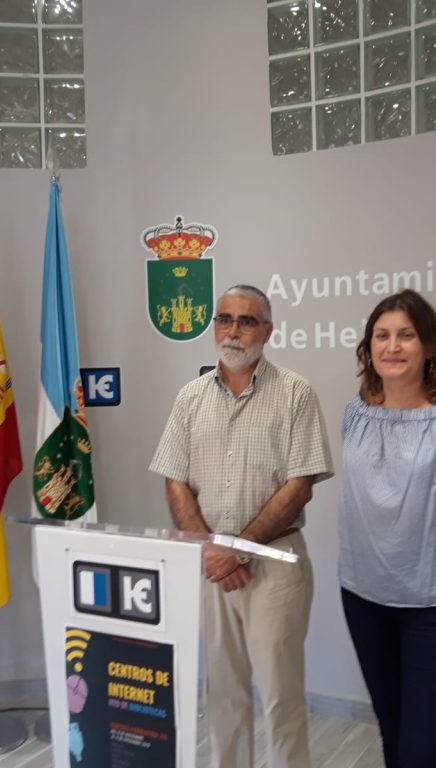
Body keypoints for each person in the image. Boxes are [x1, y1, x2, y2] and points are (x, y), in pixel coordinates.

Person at [149, 284, 333, 768]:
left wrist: (237, 549)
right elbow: (174, 480)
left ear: (267, 331)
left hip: (274, 568)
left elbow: (300, 486)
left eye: (247, 321)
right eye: (225, 319)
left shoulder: (295, 393)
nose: (233, 330)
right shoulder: (190, 397)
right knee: (223, 696)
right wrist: (213, 550)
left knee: (280, 700)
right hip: (212, 569)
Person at [338, 289, 436, 768]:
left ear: (428, 346)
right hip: (363, 601)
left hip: (435, 610)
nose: (392, 346)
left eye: (406, 335)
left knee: (421, 753)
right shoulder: (355, 414)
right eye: (381, 335)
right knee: (393, 738)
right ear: (369, 347)